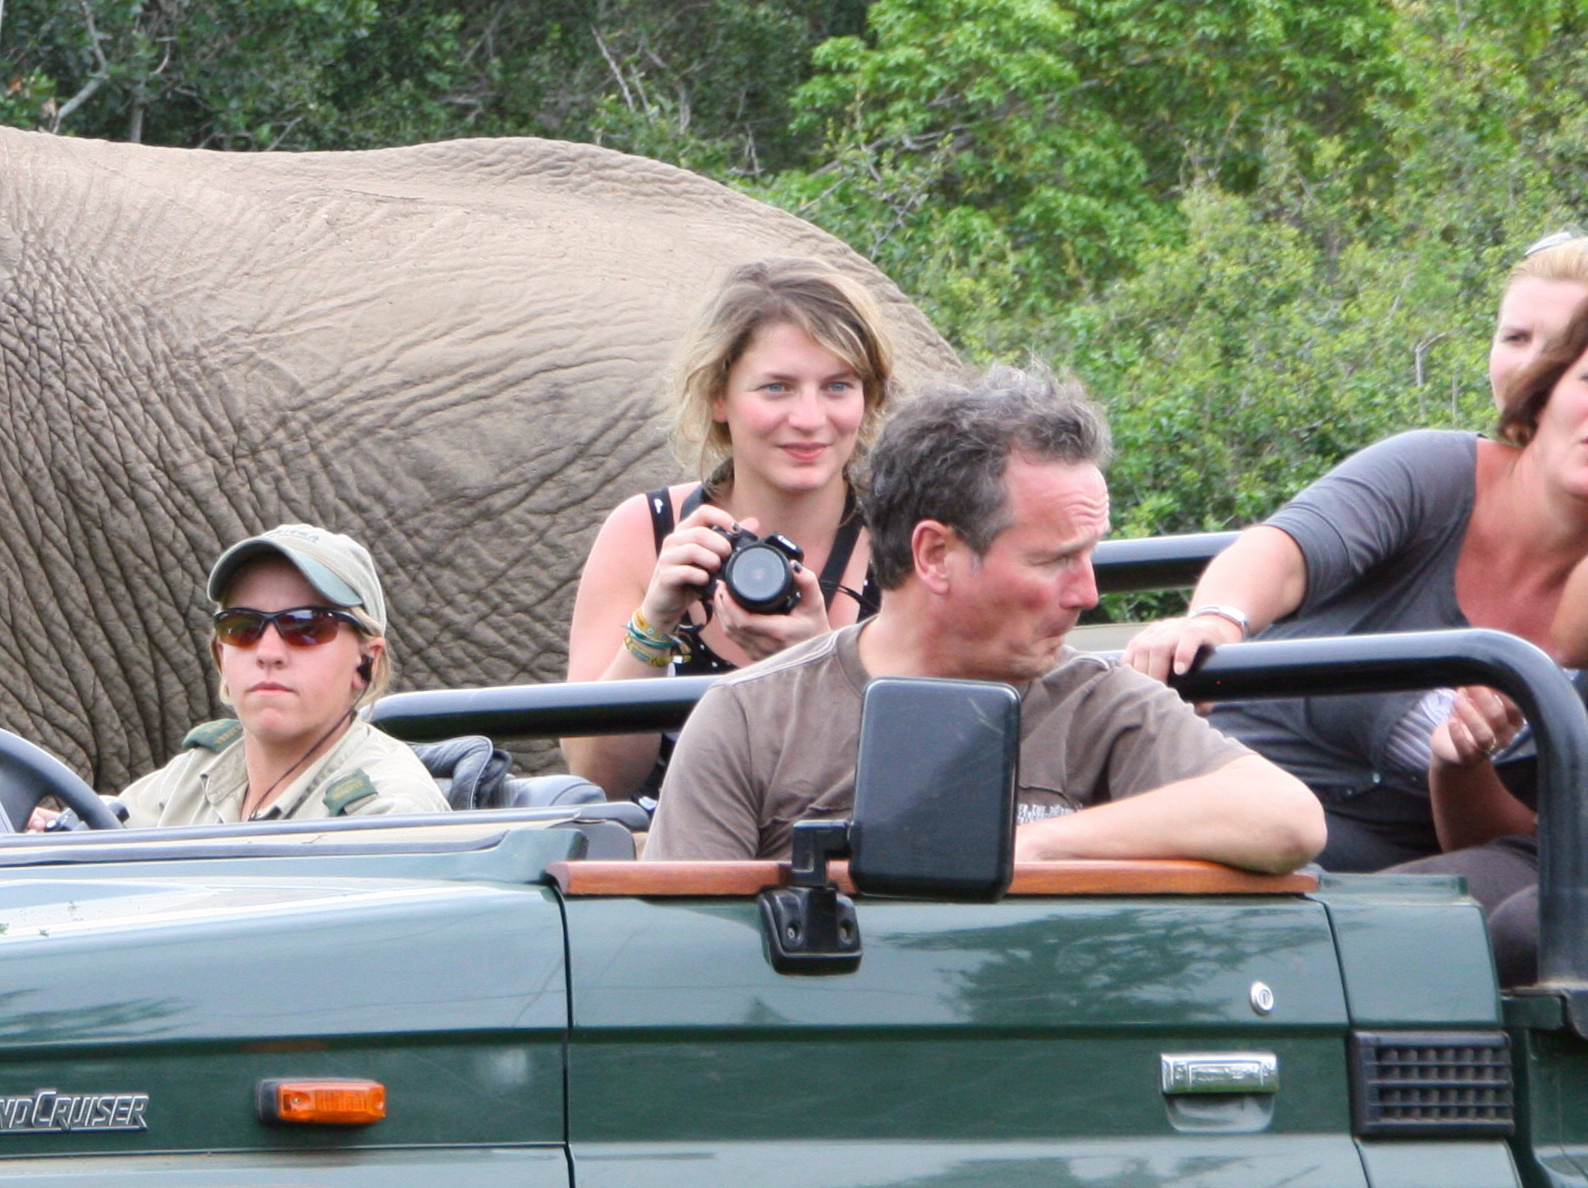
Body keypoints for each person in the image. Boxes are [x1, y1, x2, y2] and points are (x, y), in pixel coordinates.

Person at [649, 370, 1327, 872]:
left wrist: (1028, 846)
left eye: (1090, 556)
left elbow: (1288, 818)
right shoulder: (749, 719)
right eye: (1054, 561)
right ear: (936, 553)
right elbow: (677, 958)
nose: (1087, 593)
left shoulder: (1100, 704)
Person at [1118, 231, 1588, 868]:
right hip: (1232, 795)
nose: (1535, 365)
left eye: (1559, 348)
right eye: (1516, 340)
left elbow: (1528, 855)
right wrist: (1218, 620)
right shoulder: (1434, 474)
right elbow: (1282, 552)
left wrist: (1459, 764)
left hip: (1384, 886)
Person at [563, 257, 902, 798]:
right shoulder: (644, 533)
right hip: (672, 862)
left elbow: (930, 777)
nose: (811, 418)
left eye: (838, 387)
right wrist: (656, 622)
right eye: (776, 388)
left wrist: (823, 662)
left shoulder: (908, 547)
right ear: (718, 396)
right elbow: (599, 779)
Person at [1323, 296, 1588, 978]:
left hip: (1539, 871)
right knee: (1375, 928)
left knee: (1528, 928)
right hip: (1516, 850)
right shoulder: (1432, 474)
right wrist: (1458, 759)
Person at [115, 523, 449, 827]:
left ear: (367, 662)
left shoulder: (387, 814)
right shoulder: (196, 773)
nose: (268, 653)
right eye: (242, 627)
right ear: (221, 656)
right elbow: (96, 825)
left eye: (307, 626)